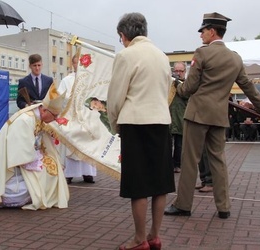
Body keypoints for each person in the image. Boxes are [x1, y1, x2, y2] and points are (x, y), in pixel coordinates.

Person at [164, 12, 260, 220]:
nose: (201, 35)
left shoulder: (202, 54)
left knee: (189, 160)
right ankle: (223, 207)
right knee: (218, 161)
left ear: (212, 31)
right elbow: (248, 87)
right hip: (219, 117)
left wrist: (178, 86)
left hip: (197, 115)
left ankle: (183, 205)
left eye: (203, 31)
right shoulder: (235, 58)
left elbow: (189, 88)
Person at [107, 13, 175, 250]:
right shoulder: (162, 56)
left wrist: (114, 123)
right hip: (160, 122)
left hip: (135, 123)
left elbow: (116, 96)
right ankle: (155, 236)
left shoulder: (126, 55)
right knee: (160, 182)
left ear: (124, 35)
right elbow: (167, 90)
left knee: (139, 185)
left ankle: (139, 239)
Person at [0, 83, 69, 210]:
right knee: (29, 186)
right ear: (44, 110)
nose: (55, 119)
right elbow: (20, 150)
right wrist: (40, 159)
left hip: (24, 157)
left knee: (49, 171)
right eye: (54, 115)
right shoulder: (25, 120)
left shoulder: (38, 117)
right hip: (12, 160)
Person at [58, 54, 96, 184]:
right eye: (75, 63)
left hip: (85, 118)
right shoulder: (66, 81)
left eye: (79, 63)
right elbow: (60, 98)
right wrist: (72, 99)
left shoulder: (89, 79)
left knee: (87, 145)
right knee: (70, 145)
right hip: (71, 118)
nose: (77, 66)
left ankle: (88, 173)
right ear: (72, 64)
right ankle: (69, 174)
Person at [169, 62, 188, 173]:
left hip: (181, 118)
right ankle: (169, 165)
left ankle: (178, 165)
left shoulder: (187, 84)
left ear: (185, 72)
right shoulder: (169, 84)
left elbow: (186, 95)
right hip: (169, 118)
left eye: (181, 71)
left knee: (179, 145)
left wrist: (178, 83)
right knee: (168, 144)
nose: (178, 73)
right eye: (176, 71)